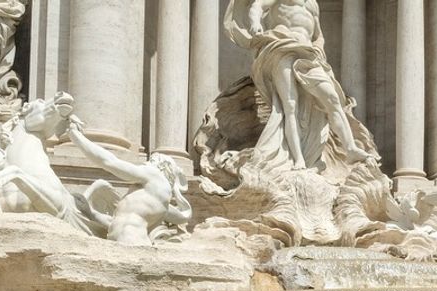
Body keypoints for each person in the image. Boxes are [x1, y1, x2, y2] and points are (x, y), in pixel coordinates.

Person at [223, 0, 373, 170]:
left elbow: (318, 35)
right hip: (282, 47)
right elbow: (258, 6)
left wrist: (318, 48)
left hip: (308, 54)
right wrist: (256, 24)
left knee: (332, 98)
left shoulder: (313, 4)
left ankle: (351, 148)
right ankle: (298, 159)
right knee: (290, 106)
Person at [67, 117, 193, 245]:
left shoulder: (154, 176)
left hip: (130, 240)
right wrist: (91, 213)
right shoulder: (155, 199)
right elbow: (116, 223)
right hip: (131, 240)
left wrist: (76, 137)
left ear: (160, 165)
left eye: (150, 161)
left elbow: (109, 162)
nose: (145, 164)